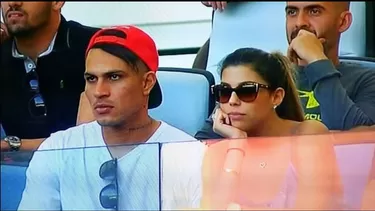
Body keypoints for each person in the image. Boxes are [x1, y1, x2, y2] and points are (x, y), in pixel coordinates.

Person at [18, 25, 204, 211]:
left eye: (114, 77)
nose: (99, 92)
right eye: (91, 79)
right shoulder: (58, 149)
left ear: (147, 83)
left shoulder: (190, 155)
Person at [196, 47, 342, 210]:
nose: (232, 101)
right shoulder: (219, 152)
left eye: (247, 91)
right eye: (224, 91)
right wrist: (237, 144)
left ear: (276, 96)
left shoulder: (308, 135)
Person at [0, 1, 99, 152]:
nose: (13, 3)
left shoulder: (97, 48)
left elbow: (90, 142)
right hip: (12, 170)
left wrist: (12, 145)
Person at [285, 1, 375, 130]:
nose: (299, 22)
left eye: (314, 11)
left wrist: (315, 59)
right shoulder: (266, 74)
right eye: (292, 12)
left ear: (343, 22)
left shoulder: (367, 80)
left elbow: (355, 138)